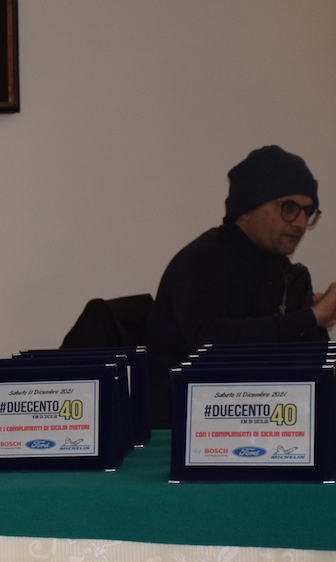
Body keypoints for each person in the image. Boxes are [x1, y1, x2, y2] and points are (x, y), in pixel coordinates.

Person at [144, 145, 336, 427]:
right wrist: (310, 317)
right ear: (246, 209)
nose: (300, 222)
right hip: (184, 427)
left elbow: (301, 360)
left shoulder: (277, 267)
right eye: (288, 207)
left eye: (307, 211)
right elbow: (210, 343)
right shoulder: (204, 259)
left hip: (248, 418)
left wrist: (311, 320)